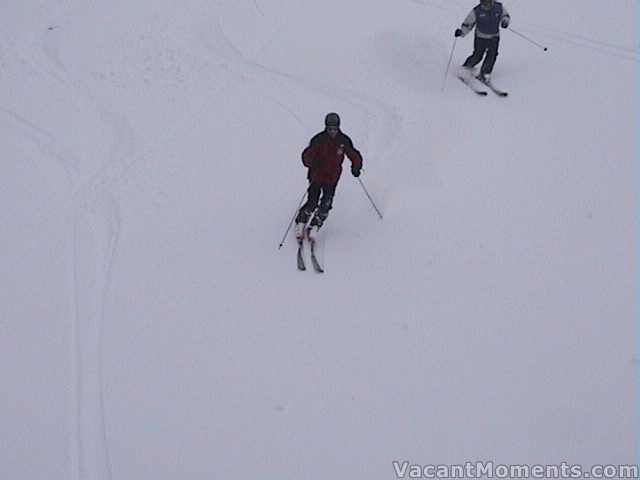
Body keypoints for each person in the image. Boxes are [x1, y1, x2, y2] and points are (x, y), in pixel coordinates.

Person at [295, 112, 363, 233]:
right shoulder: (319, 139)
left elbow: (354, 155)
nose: (332, 131)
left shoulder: (343, 141)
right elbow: (306, 156)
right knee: (312, 201)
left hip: (332, 178)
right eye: (330, 129)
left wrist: (356, 167)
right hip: (316, 176)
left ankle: (315, 224)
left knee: (326, 204)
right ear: (326, 127)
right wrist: (312, 163)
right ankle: (301, 219)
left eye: (335, 129)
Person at [455, 0, 510, 83]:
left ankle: (485, 73)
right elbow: (468, 24)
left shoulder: (499, 7)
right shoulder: (476, 11)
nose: (486, 5)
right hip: (480, 37)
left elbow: (505, 16)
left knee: (492, 55)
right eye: (484, 2)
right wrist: (462, 32)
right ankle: (466, 68)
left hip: (494, 36)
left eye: (488, 2)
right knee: (478, 55)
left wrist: (505, 21)